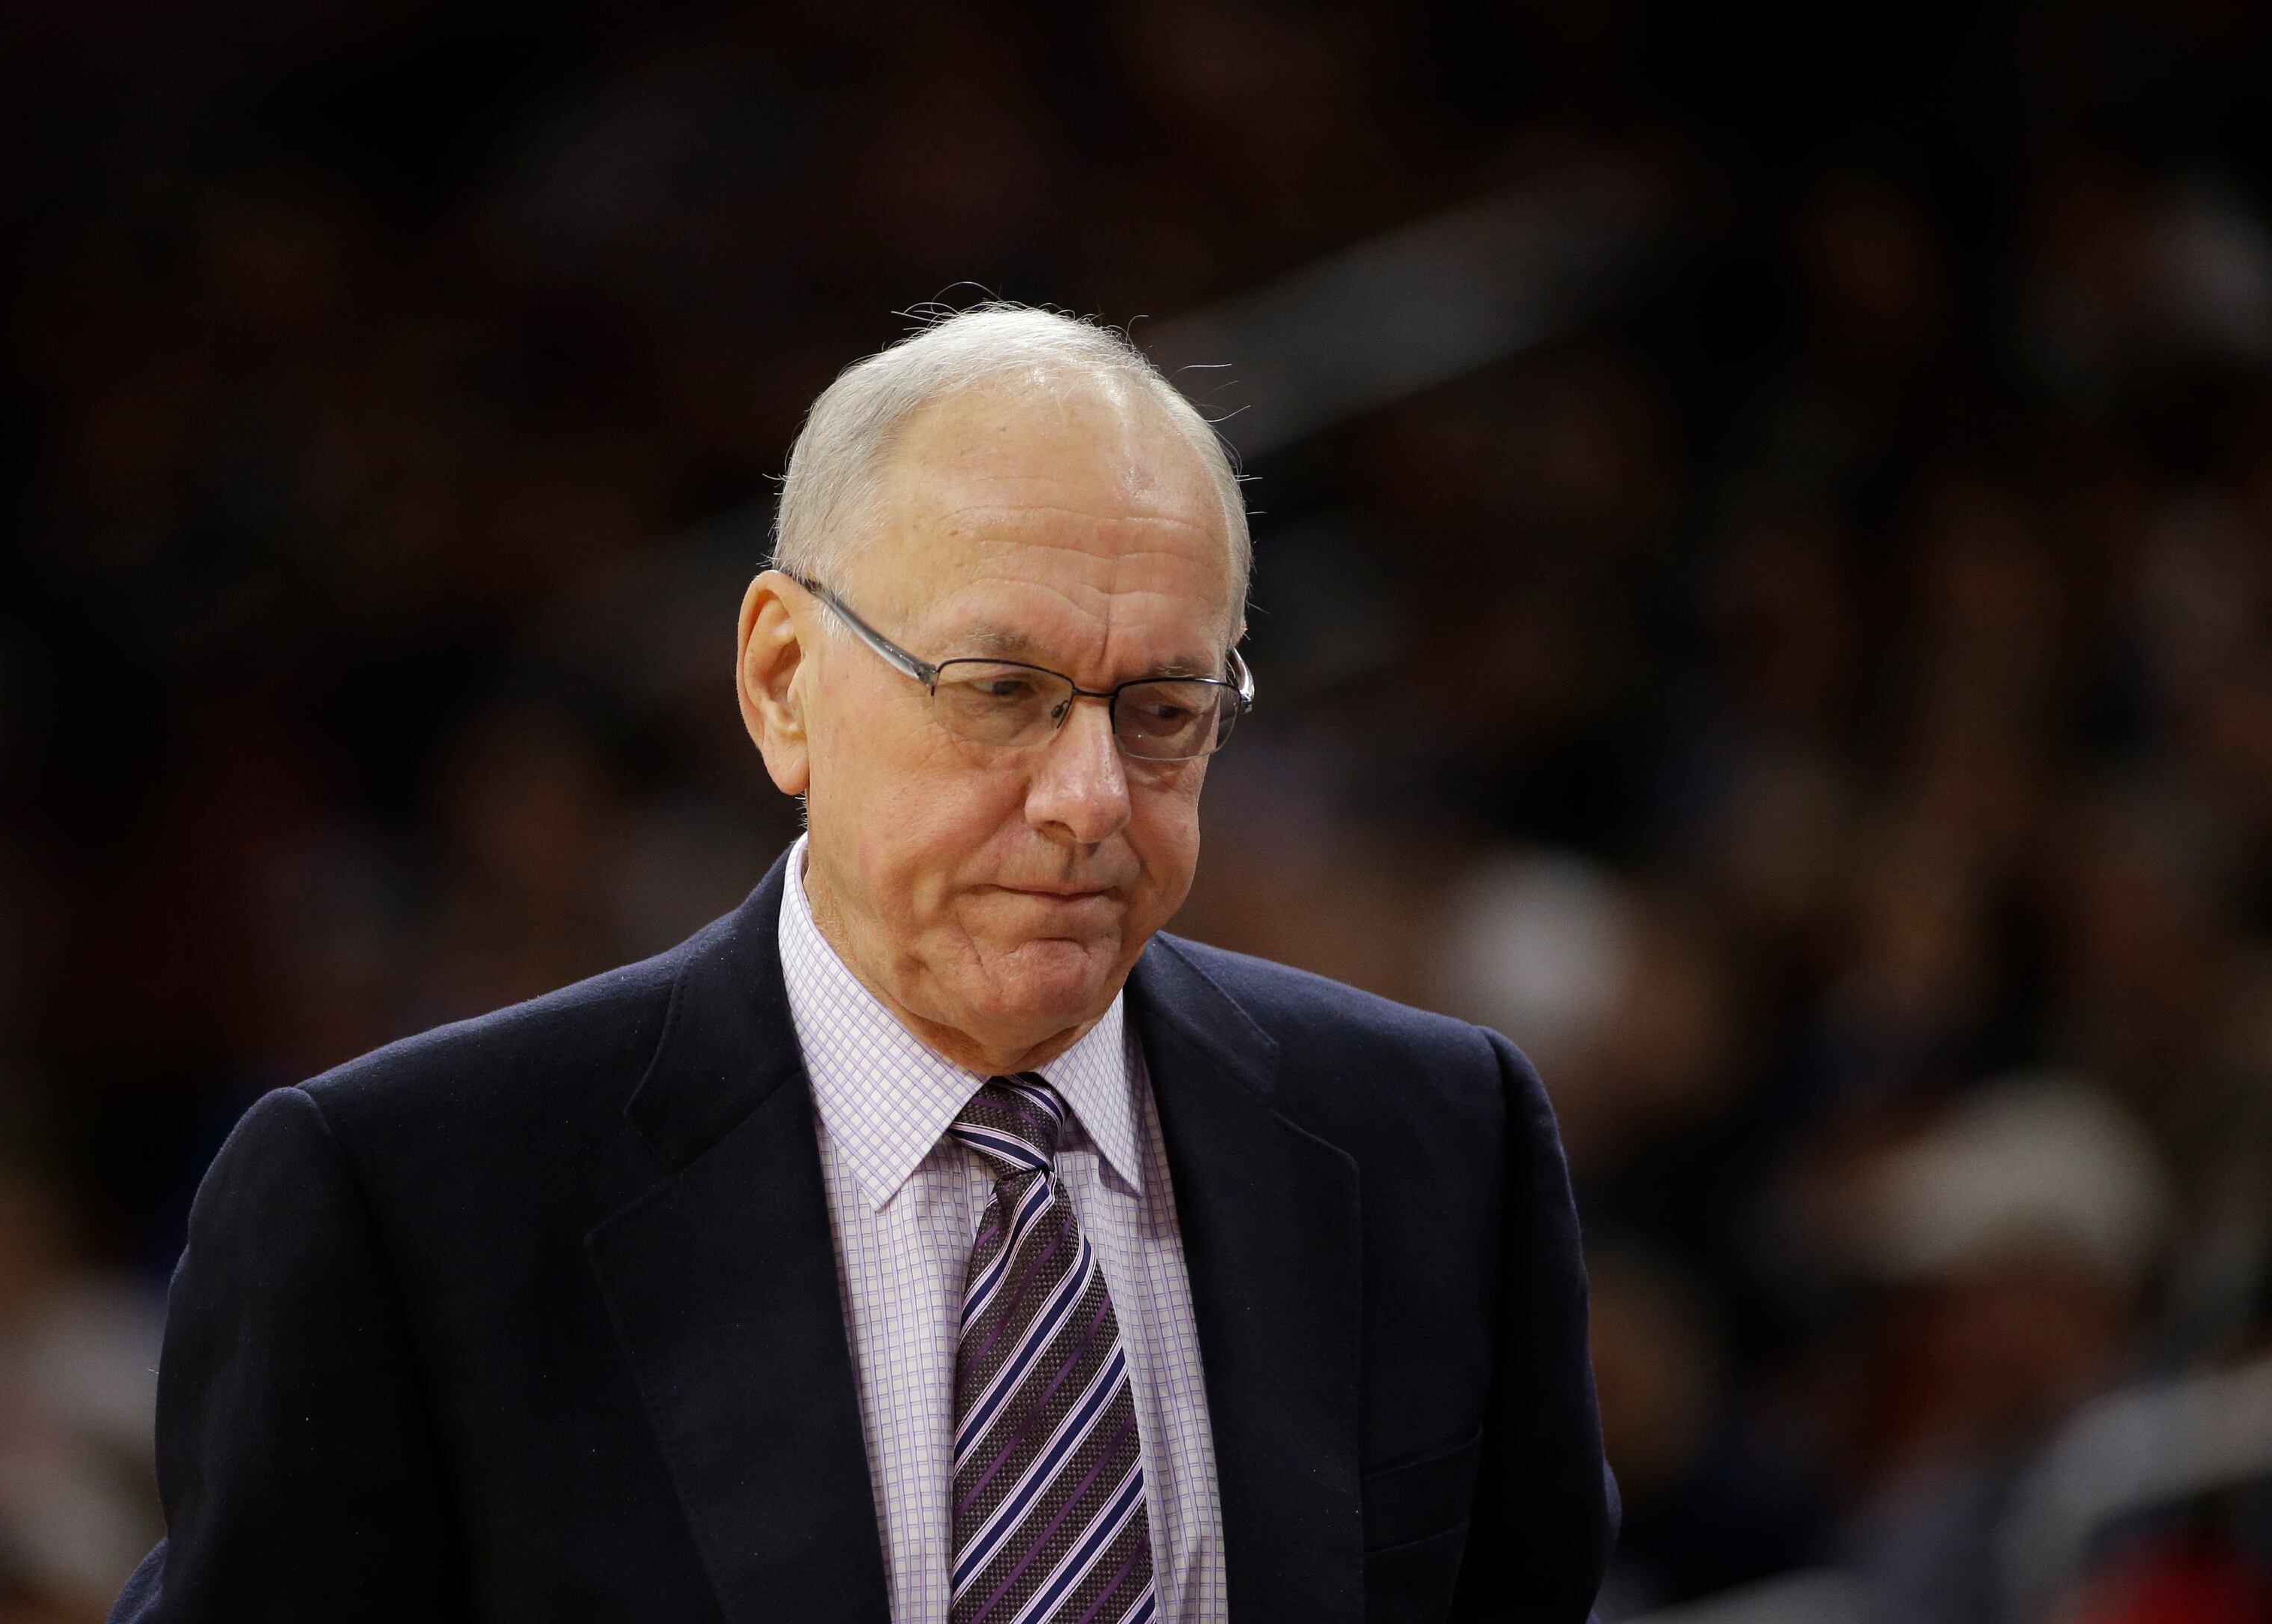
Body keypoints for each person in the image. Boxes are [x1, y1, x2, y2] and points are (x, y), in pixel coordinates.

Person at [105, 306, 1614, 1622]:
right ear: (782, 685)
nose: (1090, 799)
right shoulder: (405, 1204)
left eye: (1161, 711)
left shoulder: (1437, 1142)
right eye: (1003, 690)